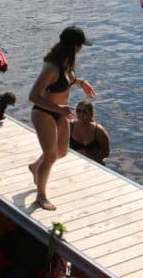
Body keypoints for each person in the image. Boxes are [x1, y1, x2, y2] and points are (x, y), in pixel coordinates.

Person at [28, 26, 96, 210]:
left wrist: (81, 83)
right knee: (50, 156)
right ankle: (41, 196)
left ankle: (35, 166)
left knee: (61, 152)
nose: (82, 49)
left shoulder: (66, 62)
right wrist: (58, 108)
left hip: (61, 113)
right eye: (81, 45)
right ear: (75, 46)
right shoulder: (52, 67)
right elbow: (33, 96)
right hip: (44, 112)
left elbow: (67, 80)